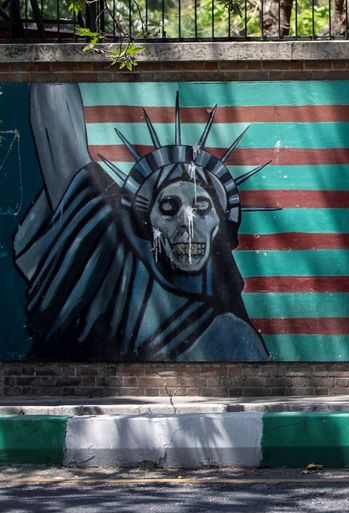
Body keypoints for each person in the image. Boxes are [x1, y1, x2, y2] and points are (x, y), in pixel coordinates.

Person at [13, 84, 270, 362]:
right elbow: (61, 148)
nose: (187, 222)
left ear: (221, 223)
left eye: (201, 207)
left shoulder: (230, 335)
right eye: (169, 207)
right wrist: (51, 56)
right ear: (147, 222)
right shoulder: (112, 265)